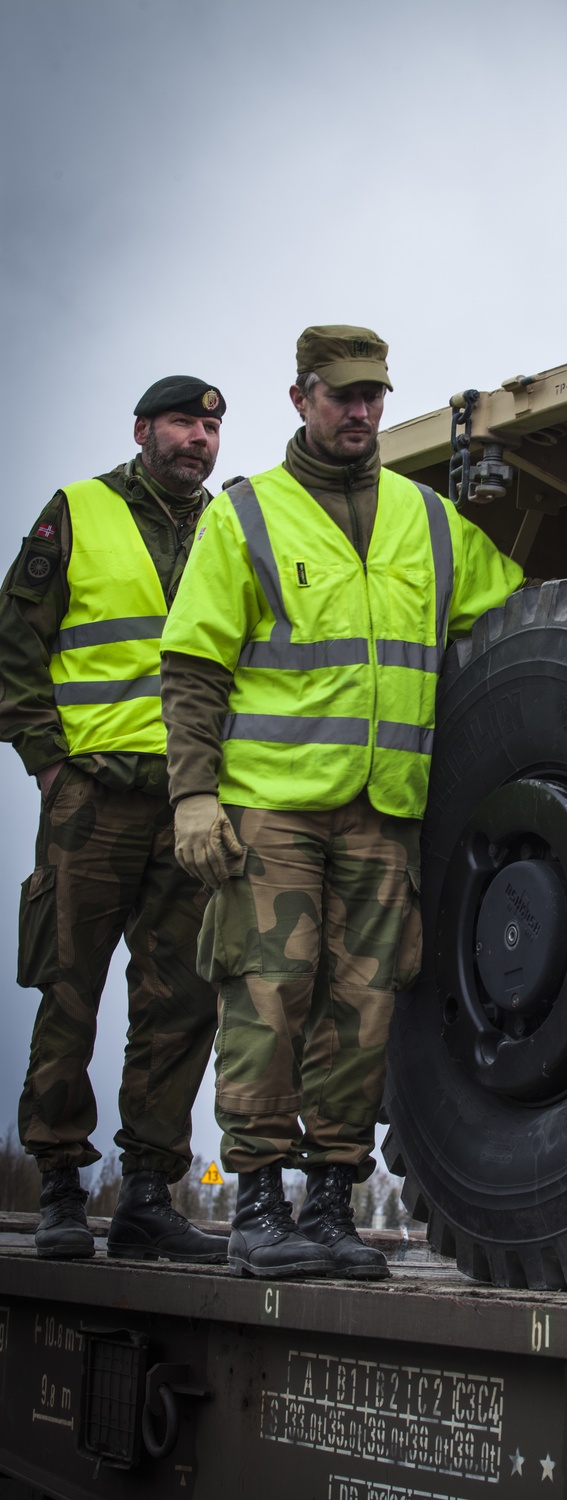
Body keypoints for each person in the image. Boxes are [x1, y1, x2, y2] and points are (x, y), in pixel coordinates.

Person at [159, 325, 524, 1280]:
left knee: (363, 1010)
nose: (361, 412)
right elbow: (193, 667)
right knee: (269, 999)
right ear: (301, 399)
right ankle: (258, 1209)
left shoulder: (430, 521)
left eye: (374, 395)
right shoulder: (244, 518)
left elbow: (514, 618)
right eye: (342, 395)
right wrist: (194, 796)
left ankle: (329, 1202)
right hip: (270, 811)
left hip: (383, 811)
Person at [0, 377, 233, 1263]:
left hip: (190, 803)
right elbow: (16, 637)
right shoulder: (79, 511)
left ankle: (146, 1196)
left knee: (181, 1002)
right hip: (91, 800)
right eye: (182, 422)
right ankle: (60, 1186)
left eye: (210, 426)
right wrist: (47, 762)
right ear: (142, 430)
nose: (198, 439)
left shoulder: (226, 527)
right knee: (68, 990)